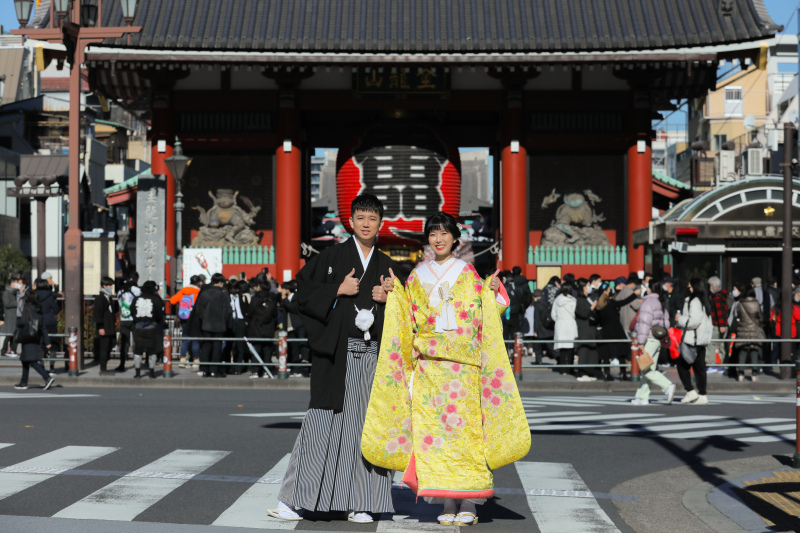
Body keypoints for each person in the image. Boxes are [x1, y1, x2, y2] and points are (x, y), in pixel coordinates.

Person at [360, 211, 530, 527]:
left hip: (462, 368)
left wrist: (493, 292)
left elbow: (487, 312)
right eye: (433, 234)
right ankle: (447, 500)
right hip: (428, 369)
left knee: (466, 435)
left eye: (444, 234)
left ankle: (469, 501)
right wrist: (393, 293)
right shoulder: (415, 276)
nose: (438, 239)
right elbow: (406, 319)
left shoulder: (468, 273)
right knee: (434, 437)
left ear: (455, 238)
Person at [268, 194, 397, 524]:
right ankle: (294, 499)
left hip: (373, 358)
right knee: (320, 426)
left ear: (380, 224)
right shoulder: (330, 256)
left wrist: (391, 299)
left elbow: (409, 315)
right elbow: (302, 296)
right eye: (361, 217)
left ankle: (362, 501)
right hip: (337, 356)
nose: (366, 223)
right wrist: (337, 290)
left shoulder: (388, 265)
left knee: (365, 430)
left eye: (372, 218)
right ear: (350, 222)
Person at [631, 281, 675, 405]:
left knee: (645, 368)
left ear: (650, 289)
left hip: (648, 339)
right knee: (649, 368)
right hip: (657, 339)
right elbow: (666, 324)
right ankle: (642, 397)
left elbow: (644, 324)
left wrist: (640, 342)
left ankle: (667, 386)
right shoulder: (662, 302)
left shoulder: (648, 303)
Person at [676, 278, 713, 404]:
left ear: (695, 287)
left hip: (693, 339)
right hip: (701, 339)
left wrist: (680, 319)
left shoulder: (694, 301)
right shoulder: (704, 300)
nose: (688, 288)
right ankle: (702, 394)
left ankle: (691, 391)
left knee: (682, 364)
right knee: (700, 368)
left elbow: (693, 322)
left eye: (690, 286)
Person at [595, 282, 637, 381]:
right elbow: (624, 301)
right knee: (621, 352)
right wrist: (635, 294)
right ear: (605, 292)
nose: (610, 291)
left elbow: (598, 320)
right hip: (616, 330)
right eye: (609, 290)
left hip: (605, 331)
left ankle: (606, 374)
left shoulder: (599, 306)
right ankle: (623, 374)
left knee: (606, 355)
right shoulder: (612, 303)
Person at [192, 273, 232, 378]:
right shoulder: (223, 295)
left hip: (206, 324)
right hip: (219, 325)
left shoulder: (205, 293)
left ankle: (205, 369)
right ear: (220, 282)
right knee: (217, 347)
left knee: (206, 347)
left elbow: (198, 310)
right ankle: (214, 370)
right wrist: (224, 321)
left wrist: (204, 318)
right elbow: (227, 312)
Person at [13, 289, 54, 390]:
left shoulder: (27, 307)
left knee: (31, 361)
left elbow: (22, 322)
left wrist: (17, 322)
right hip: (36, 337)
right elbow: (43, 327)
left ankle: (47, 377)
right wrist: (47, 341)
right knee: (25, 360)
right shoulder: (39, 309)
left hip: (27, 337)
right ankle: (23, 382)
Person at [130, 280, 165, 379]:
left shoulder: (137, 299)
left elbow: (132, 310)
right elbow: (160, 313)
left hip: (138, 327)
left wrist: (137, 320)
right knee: (151, 351)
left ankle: (137, 373)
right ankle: (151, 373)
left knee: (138, 351)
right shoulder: (156, 299)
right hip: (151, 327)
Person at [246, 276, 278, 378]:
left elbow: (250, 313)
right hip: (268, 328)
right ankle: (266, 371)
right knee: (267, 350)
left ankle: (255, 371)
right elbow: (275, 314)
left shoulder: (255, 299)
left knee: (256, 350)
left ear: (259, 287)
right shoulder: (272, 300)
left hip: (256, 328)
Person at [169, 275, 201, 369]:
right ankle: (196, 360)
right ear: (198, 283)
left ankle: (182, 360)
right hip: (194, 319)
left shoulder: (183, 291)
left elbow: (172, 300)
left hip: (183, 318)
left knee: (186, 338)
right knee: (195, 339)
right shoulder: (198, 292)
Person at [734, 287, 764, 382]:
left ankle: (741, 375)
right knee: (754, 351)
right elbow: (761, 318)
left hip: (742, 330)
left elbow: (738, 316)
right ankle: (754, 374)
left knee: (742, 352)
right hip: (754, 330)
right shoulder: (756, 304)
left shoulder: (739, 304)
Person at [279, 280, 309, 377]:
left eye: (283, 289)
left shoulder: (296, 297)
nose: (281, 290)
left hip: (299, 325)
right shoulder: (284, 299)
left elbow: (293, 308)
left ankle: (305, 368)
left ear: (287, 290)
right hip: (289, 326)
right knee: (293, 348)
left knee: (302, 343)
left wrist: (285, 300)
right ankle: (295, 369)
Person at [574, 278, 600, 381]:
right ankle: (583, 372)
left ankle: (591, 372)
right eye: (588, 285)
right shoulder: (579, 299)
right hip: (584, 327)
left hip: (592, 327)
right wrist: (591, 308)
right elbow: (583, 314)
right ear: (583, 286)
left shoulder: (590, 297)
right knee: (584, 350)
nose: (589, 287)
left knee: (592, 350)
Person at [93, 276, 118, 375]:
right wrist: (100, 327)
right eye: (109, 285)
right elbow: (98, 314)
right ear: (104, 286)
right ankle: (103, 369)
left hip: (109, 326)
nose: (111, 287)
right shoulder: (100, 298)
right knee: (104, 348)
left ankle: (104, 368)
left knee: (109, 346)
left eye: (111, 285)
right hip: (104, 327)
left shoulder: (108, 297)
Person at [116, 276, 141, 372]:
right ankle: (137, 365)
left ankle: (122, 364)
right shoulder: (137, 290)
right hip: (135, 319)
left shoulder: (120, 291)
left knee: (124, 343)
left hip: (124, 319)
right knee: (137, 342)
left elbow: (120, 304)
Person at [35, 279, 60, 373]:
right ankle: (52, 368)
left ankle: (42, 367)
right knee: (53, 345)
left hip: (38, 321)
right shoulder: (50, 296)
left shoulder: (34, 295)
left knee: (41, 345)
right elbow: (56, 309)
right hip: (50, 321)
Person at [552, 284, 577, 376]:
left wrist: (558, 320)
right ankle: (570, 369)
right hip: (571, 324)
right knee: (571, 349)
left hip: (560, 324)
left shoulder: (557, 300)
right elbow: (575, 312)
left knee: (562, 349)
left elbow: (553, 314)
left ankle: (563, 370)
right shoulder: (573, 300)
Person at [707, 276, 729, 374]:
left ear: (714, 286)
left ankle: (711, 365)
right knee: (722, 345)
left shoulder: (716, 297)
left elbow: (720, 312)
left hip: (718, 325)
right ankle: (723, 366)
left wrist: (721, 325)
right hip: (723, 324)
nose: (709, 287)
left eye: (710, 285)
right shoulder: (723, 294)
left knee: (711, 344)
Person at [2, 276, 19, 356]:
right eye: (16, 282)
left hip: (14, 315)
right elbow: (7, 304)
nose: (17, 284)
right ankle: (3, 350)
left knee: (13, 334)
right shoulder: (6, 293)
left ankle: (11, 350)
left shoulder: (15, 292)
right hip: (10, 316)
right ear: (11, 283)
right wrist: (17, 302)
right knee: (9, 334)